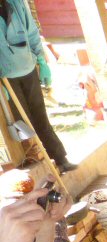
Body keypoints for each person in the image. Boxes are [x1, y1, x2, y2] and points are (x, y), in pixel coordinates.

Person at [0, 0, 77, 172]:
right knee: (23, 122)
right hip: (6, 76)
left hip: (27, 68)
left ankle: (60, 158)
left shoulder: (16, 3)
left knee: (40, 116)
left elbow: (32, 33)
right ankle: (36, 163)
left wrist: (42, 61)